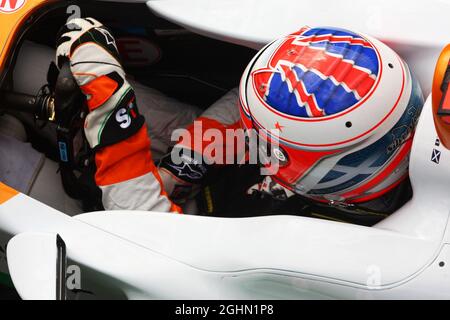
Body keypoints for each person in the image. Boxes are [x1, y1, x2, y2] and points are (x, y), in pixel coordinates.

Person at [51, 18, 425, 223]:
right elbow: (265, 99)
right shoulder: (367, 121)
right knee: (54, 82)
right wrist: (190, 160)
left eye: (269, 141)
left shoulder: (338, 255)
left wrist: (112, 108)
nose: (254, 134)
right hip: (202, 173)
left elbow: (143, 237)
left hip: (182, 233)